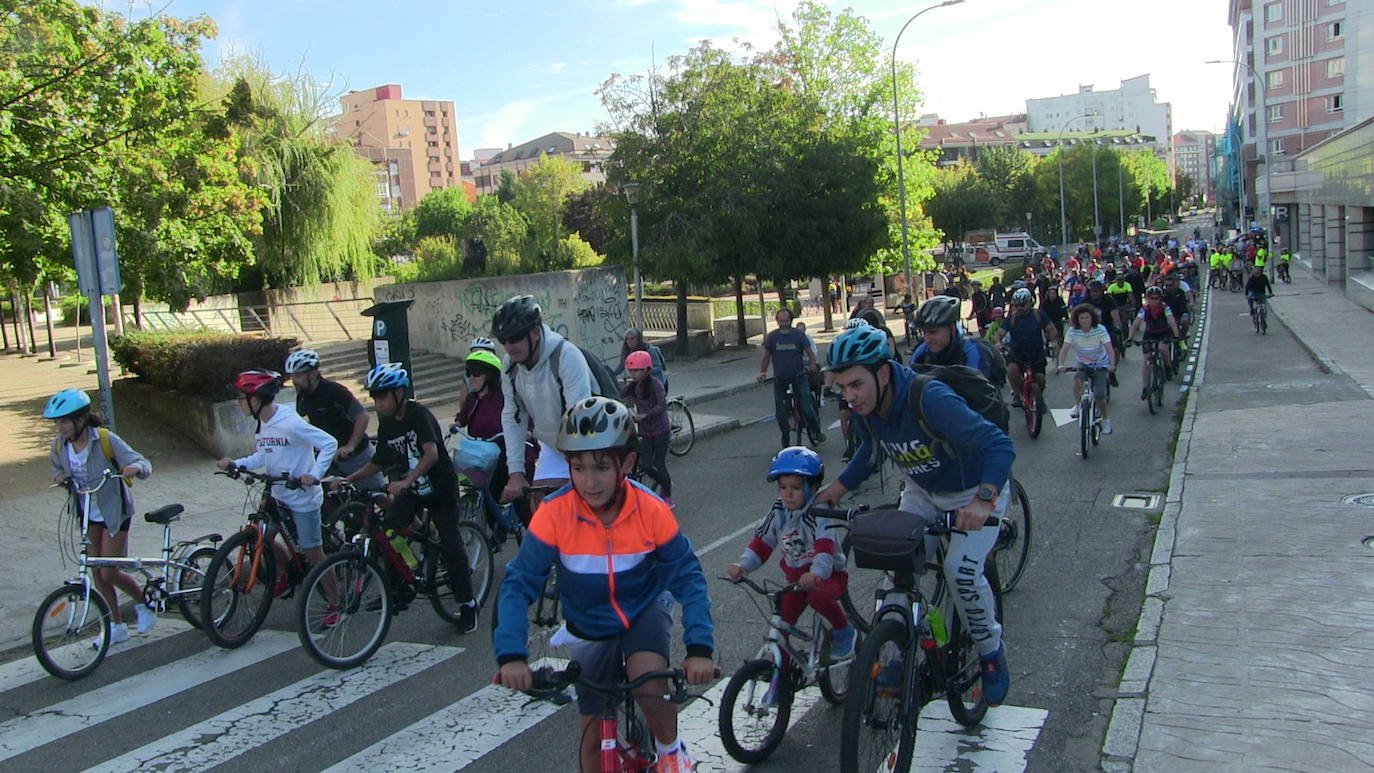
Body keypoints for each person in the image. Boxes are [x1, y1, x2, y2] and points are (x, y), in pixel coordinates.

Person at [493, 396, 715, 773]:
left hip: (643, 608)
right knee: (592, 742)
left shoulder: (651, 510)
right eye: (577, 467)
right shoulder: (554, 514)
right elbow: (519, 584)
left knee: (648, 686)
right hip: (589, 621)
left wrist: (699, 649)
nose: (588, 481)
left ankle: (671, 751)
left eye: (600, 467)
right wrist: (512, 656)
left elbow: (688, 578)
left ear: (626, 463)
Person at [813, 326, 1013, 705]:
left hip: (974, 490)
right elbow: (869, 453)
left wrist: (984, 500)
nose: (850, 396)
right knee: (896, 573)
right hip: (923, 490)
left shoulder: (929, 397)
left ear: (883, 373)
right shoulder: (868, 408)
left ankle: (991, 653)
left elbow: (998, 445)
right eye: (842, 387)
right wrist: (833, 493)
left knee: (961, 572)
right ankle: (892, 658)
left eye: (856, 384)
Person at [340, 363, 478, 633]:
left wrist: (406, 480)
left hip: (439, 489)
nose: (377, 403)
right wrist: (350, 478)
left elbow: (431, 454)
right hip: (412, 491)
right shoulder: (387, 424)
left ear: (399, 393)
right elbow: (379, 460)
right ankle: (400, 586)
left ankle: (468, 604)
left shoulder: (419, 415)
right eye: (374, 397)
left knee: (451, 546)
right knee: (388, 528)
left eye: (382, 396)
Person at [45, 389, 156, 645]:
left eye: (63, 421)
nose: (59, 427)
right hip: (87, 514)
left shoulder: (105, 439)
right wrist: (60, 478)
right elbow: (57, 469)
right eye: (57, 422)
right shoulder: (60, 445)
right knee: (97, 574)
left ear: (80, 420)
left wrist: (135, 468)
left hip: (114, 511)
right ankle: (116, 625)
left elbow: (143, 463)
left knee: (109, 572)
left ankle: (144, 603)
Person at [218, 370, 338, 598]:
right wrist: (237, 463)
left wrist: (314, 474)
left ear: (255, 399)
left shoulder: (290, 423)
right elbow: (263, 456)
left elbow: (329, 443)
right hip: (278, 494)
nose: (238, 403)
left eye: (241, 398)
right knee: (264, 538)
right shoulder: (263, 423)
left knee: (313, 551)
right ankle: (287, 574)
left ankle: (335, 600)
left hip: (302, 496)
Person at [728, 447, 854, 663]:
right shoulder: (778, 510)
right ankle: (781, 676)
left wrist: (816, 573)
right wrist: (744, 566)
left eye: (795, 488)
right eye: (783, 487)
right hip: (795, 581)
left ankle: (843, 630)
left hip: (825, 576)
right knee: (781, 624)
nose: (787, 493)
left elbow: (825, 548)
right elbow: (762, 544)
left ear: (813, 487)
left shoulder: (819, 511)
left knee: (818, 597)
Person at [493, 295, 593, 510]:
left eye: (515, 338)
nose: (509, 346)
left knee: (585, 514)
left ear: (536, 332)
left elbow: (580, 417)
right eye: (504, 340)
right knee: (541, 511)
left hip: (588, 444)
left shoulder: (566, 357)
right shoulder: (510, 366)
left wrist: (578, 470)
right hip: (552, 446)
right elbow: (513, 417)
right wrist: (516, 472)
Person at [455, 347, 536, 547]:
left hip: (511, 456)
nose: (471, 378)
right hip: (486, 458)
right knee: (486, 496)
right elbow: (462, 417)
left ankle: (537, 541)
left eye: (476, 373)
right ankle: (497, 531)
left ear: (489, 376)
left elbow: (522, 415)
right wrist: (456, 424)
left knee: (519, 499)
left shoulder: (504, 396)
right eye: (468, 373)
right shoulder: (472, 399)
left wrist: (528, 431)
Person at [284, 349, 383, 490]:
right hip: (329, 456)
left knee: (377, 495)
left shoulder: (334, 391)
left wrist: (351, 446)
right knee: (325, 494)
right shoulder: (303, 396)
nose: (295, 381)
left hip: (355, 455)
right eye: (293, 376)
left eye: (298, 376)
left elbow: (362, 416)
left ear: (312, 373)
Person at [758, 307, 824, 448]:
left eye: (786, 321)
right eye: (781, 321)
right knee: (780, 412)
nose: (784, 324)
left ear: (791, 320)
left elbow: (810, 353)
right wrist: (763, 373)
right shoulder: (772, 337)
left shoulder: (799, 335)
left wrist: (813, 365)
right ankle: (785, 435)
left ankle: (816, 431)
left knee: (806, 406)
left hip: (799, 377)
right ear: (777, 321)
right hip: (780, 379)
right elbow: (766, 357)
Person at [621, 349, 673, 507]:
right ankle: (665, 481)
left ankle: (667, 492)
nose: (633, 374)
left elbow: (662, 405)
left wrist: (646, 415)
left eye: (636, 371)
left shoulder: (655, 384)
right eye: (631, 371)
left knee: (659, 463)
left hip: (660, 430)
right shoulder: (634, 386)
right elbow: (620, 393)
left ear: (646, 370)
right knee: (646, 465)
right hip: (645, 431)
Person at [1057, 304, 1116, 434]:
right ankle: (1079, 404)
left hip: (1100, 363)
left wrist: (1112, 363)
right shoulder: (1073, 331)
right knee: (1078, 378)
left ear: (1092, 318)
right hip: (1083, 362)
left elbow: (1109, 347)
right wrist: (1061, 364)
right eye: (1081, 318)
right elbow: (1065, 348)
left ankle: (1105, 421)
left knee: (1100, 395)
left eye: (1087, 317)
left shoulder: (1100, 329)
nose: (1084, 320)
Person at [997, 289, 1057, 409]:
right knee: (1012, 370)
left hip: (1036, 353)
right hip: (1017, 354)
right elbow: (999, 334)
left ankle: (1039, 399)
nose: (1020, 308)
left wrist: (1051, 340)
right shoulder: (1012, 318)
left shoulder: (1038, 315)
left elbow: (1051, 329)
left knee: (1040, 379)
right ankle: (1017, 394)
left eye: (1023, 305)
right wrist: (999, 343)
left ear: (1030, 302)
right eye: (1017, 305)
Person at [1129, 287, 1181, 399]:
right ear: (1148, 299)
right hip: (1150, 333)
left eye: (1156, 298)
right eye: (1151, 298)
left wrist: (1176, 334)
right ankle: (1145, 387)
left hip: (1163, 332)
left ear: (1160, 298)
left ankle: (1167, 366)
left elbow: (1171, 320)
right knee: (1146, 360)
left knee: (1163, 348)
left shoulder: (1165, 308)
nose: (1154, 300)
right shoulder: (1144, 309)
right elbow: (1136, 324)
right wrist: (1130, 337)